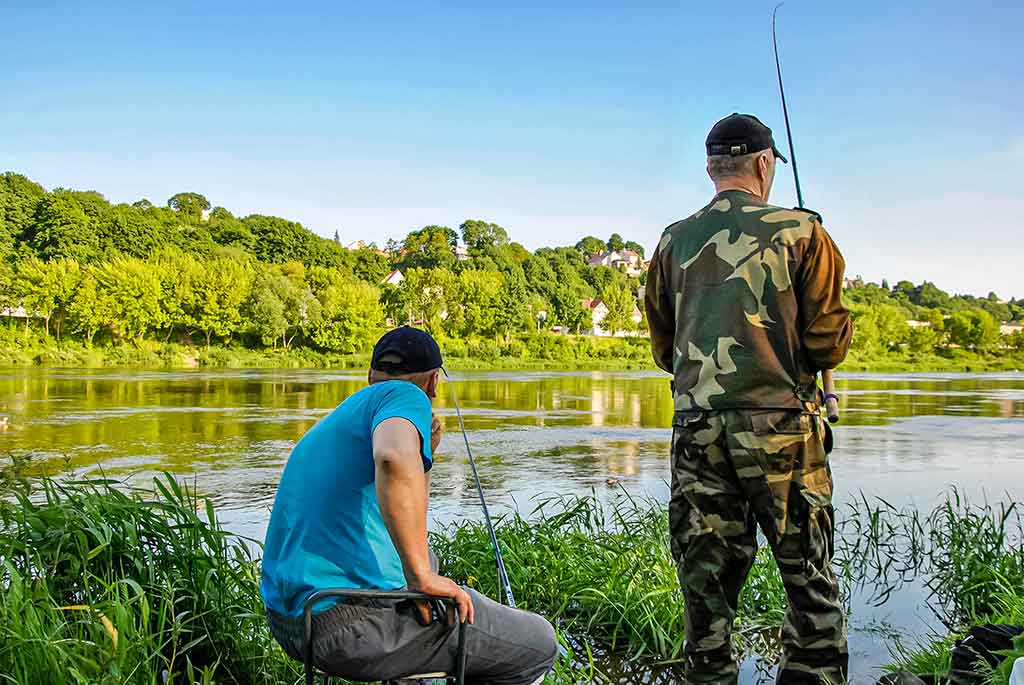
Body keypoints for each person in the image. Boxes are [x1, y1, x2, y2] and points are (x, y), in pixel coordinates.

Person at [644, 113, 853, 685]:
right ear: (765, 165)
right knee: (808, 578)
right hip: (783, 430)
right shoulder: (804, 232)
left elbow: (666, 350)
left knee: (705, 589)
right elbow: (827, 342)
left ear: (712, 168)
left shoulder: (672, 239)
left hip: (697, 432)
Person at [261, 326, 557, 684]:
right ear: (433, 382)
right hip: (347, 626)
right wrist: (421, 578)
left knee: (428, 561)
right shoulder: (405, 396)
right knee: (540, 643)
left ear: (370, 375)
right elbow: (390, 457)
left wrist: (423, 457)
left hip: (293, 622)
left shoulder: (347, 414)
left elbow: (408, 519)